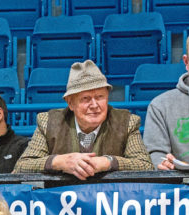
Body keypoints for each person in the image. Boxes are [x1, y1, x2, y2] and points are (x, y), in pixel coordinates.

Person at [13, 59, 153, 179]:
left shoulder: (127, 122)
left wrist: (108, 162)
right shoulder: (48, 122)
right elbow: (22, 166)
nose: (94, 105)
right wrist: (60, 161)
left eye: (100, 97)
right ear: (70, 103)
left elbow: (145, 166)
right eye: (86, 99)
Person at [143, 36, 189, 170]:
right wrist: (163, 163)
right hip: (181, 186)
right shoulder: (160, 105)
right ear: (186, 62)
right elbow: (156, 153)